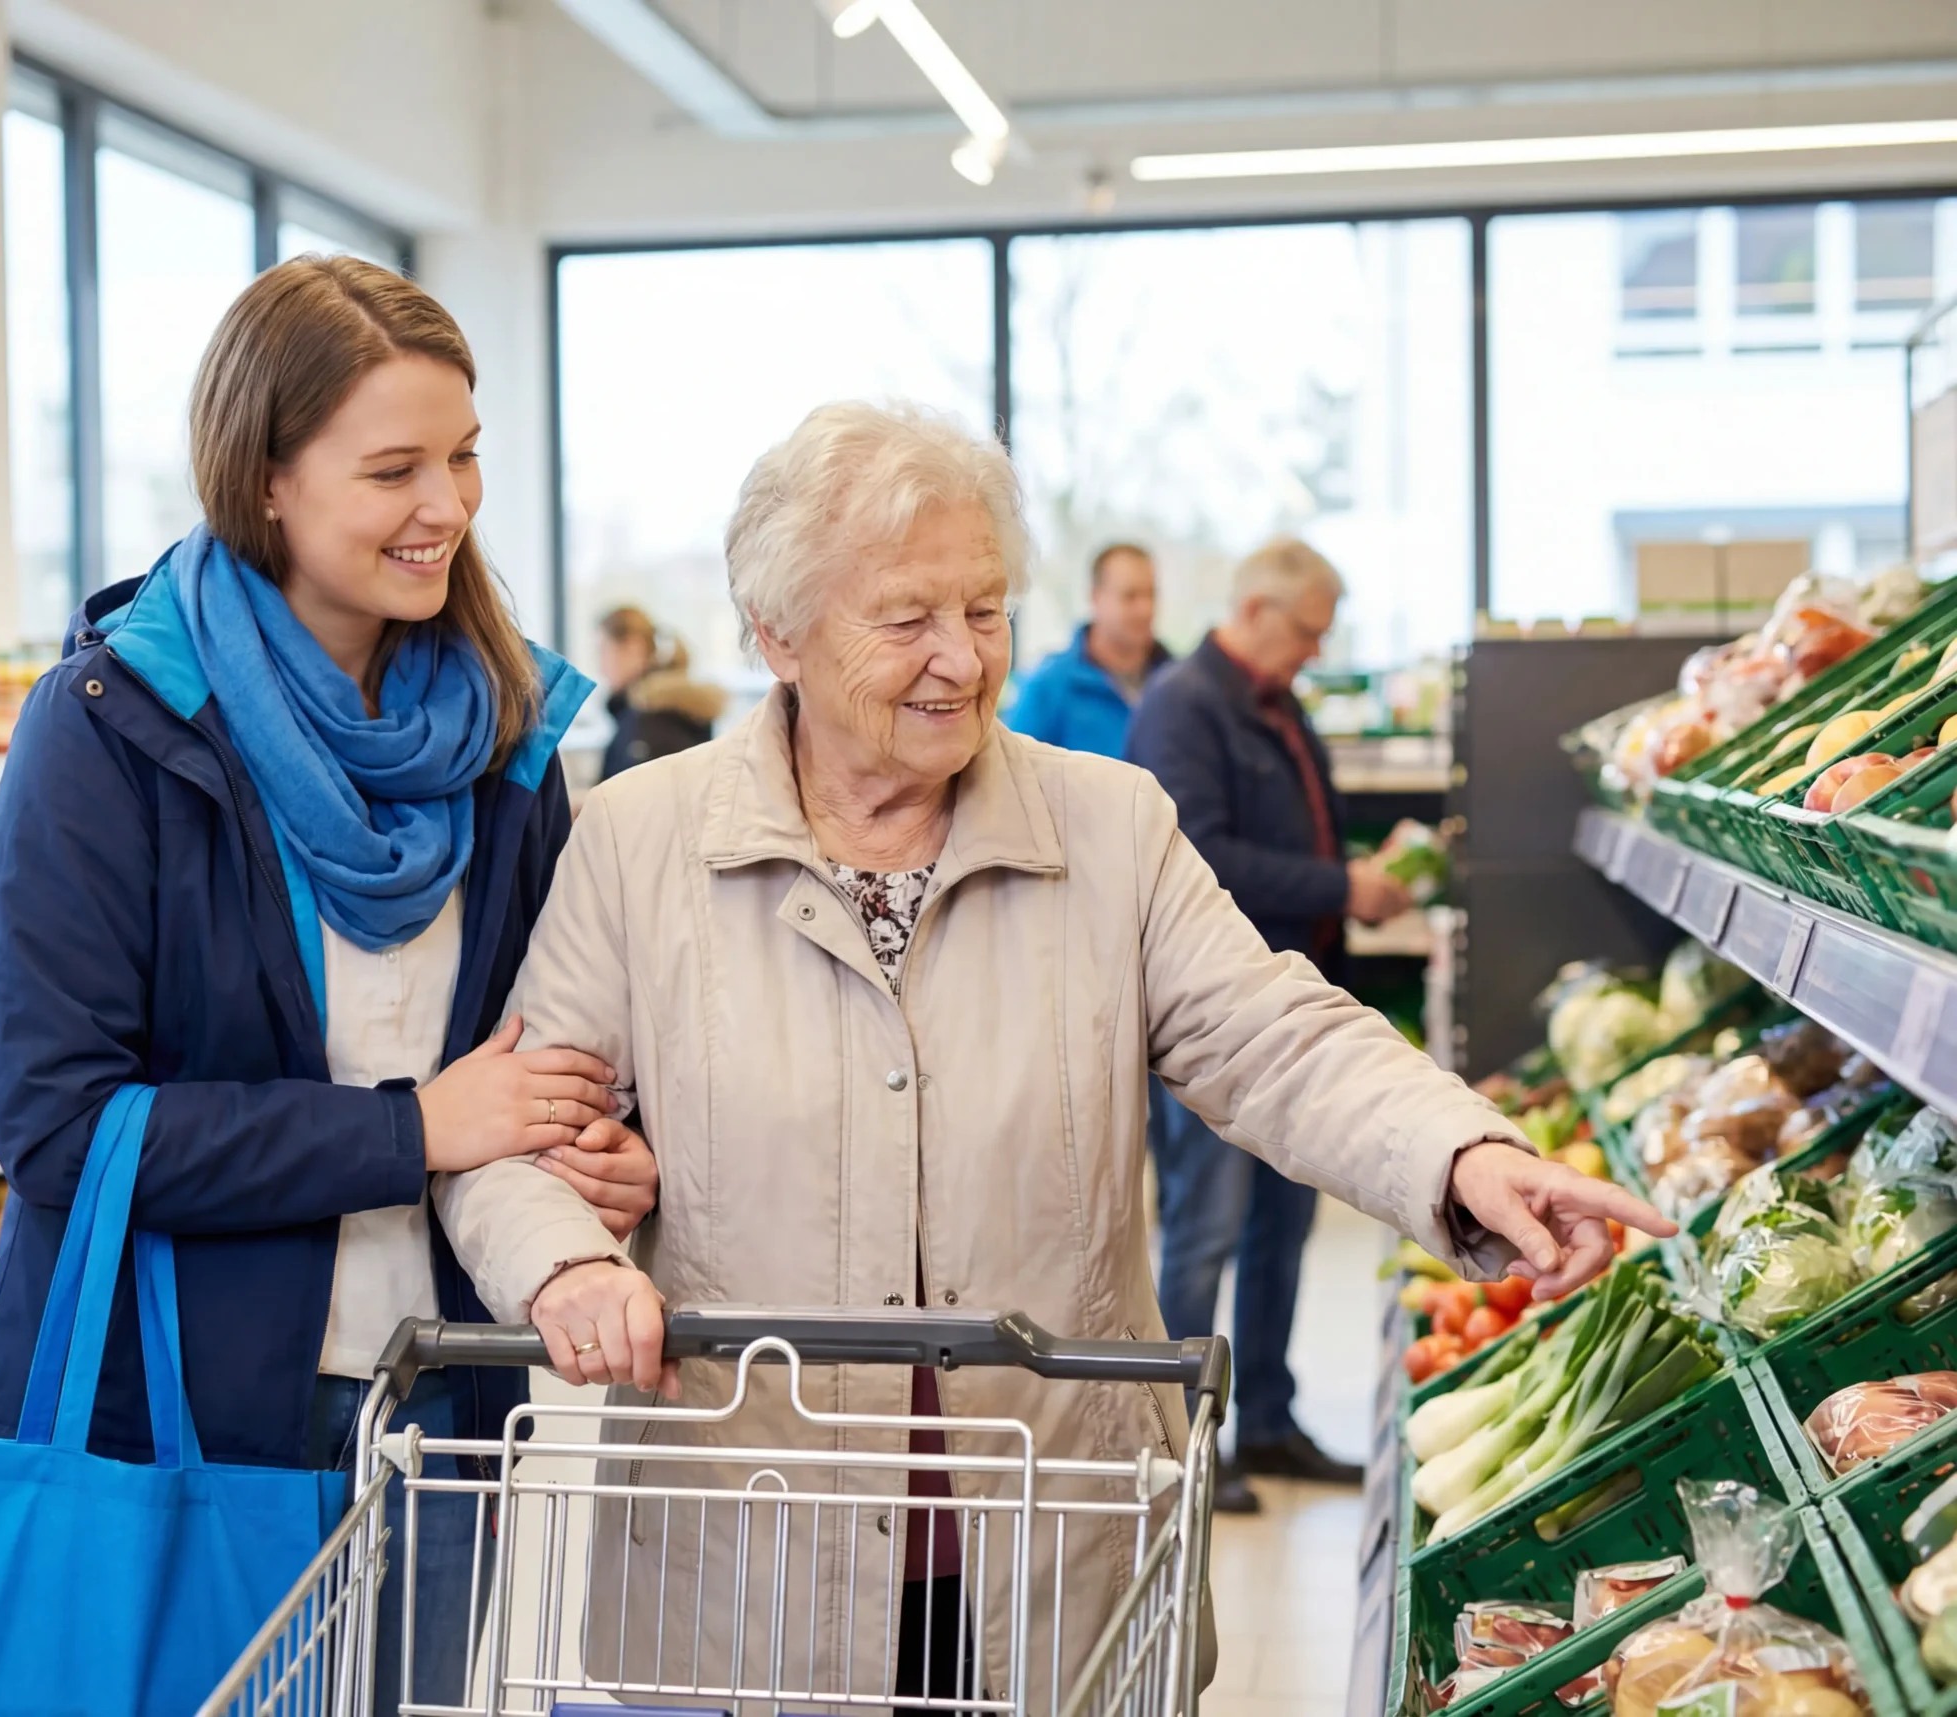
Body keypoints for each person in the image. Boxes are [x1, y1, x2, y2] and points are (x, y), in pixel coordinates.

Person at [433, 402, 1670, 1709]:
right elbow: (512, 1134)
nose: (960, 661)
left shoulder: (1108, 825)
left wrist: (1463, 1151)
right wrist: (564, 1261)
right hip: (748, 1558)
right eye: (907, 619)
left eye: (986, 610)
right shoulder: (639, 844)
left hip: (1053, 1541)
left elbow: (1272, 1034)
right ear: (776, 633)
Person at [0, 257, 658, 1717]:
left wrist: (597, 1140)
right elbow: (60, 1129)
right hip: (179, 1419)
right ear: (266, 479)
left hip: (455, 1399)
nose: (448, 508)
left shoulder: (509, 736)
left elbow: (547, 1052)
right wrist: (415, 1131)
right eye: (393, 468)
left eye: (463, 458)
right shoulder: (111, 733)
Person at [1122, 537, 1413, 1513]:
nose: (1312, 651)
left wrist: (1370, 870)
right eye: (1305, 631)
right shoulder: (1183, 705)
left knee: (1281, 1230)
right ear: (1254, 609)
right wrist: (1341, 885)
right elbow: (1196, 857)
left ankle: (1271, 1423)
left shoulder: (1277, 709)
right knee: (1203, 1232)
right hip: (1217, 1024)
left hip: (1297, 1013)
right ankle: (1180, 1443)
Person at [1007, 541, 1171, 758]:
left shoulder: (1176, 685)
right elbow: (1013, 772)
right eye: (1130, 596)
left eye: (1151, 595)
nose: (1145, 609)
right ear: (1095, 597)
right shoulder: (1048, 687)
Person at [596, 605, 725, 777]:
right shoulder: (668, 712)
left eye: (603, 651)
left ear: (633, 648)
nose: (601, 667)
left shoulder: (648, 723)